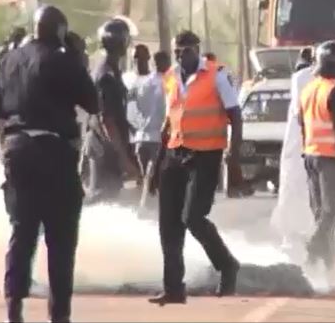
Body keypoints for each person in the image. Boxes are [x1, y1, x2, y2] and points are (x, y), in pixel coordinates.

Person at [0, 5, 99, 322]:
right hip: (54, 151)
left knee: (22, 233)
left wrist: (2, 155)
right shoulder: (64, 59)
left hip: (17, 151)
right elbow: (93, 101)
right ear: (61, 30)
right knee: (61, 236)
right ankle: (59, 314)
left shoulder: (8, 61)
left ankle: (14, 310)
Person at [148, 31, 241, 305]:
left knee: (193, 218)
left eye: (186, 51)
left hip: (206, 156)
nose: (180, 56)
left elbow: (235, 115)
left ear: (198, 50)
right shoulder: (171, 78)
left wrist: (233, 157)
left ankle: (227, 265)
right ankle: (174, 288)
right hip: (175, 154)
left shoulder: (217, 75)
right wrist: (157, 167)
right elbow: (169, 122)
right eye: (177, 51)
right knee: (168, 224)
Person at [299, 40, 335, 276]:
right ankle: (312, 250)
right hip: (330, 159)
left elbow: (301, 123)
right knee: (331, 213)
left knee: (322, 213)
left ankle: (327, 268)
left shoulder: (310, 89)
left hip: (311, 155)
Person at [84, 19, 140, 205]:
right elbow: (107, 120)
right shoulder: (106, 75)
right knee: (104, 199)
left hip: (107, 145)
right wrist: (123, 158)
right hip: (105, 149)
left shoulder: (111, 71)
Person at [270, 51, 316, 258]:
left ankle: (300, 243)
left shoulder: (304, 80)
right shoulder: (305, 80)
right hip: (300, 150)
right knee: (296, 196)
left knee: (300, 197)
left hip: (303, 150)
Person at [128, 46, 169, 185]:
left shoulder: (146, 82)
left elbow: (131, 111)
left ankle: (147, 204)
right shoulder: (164, 82)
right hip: (152, 138)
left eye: (143, 58)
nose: (139, 61)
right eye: (136, 58)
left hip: (145, 138)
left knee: (147, 180)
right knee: (153, 181)